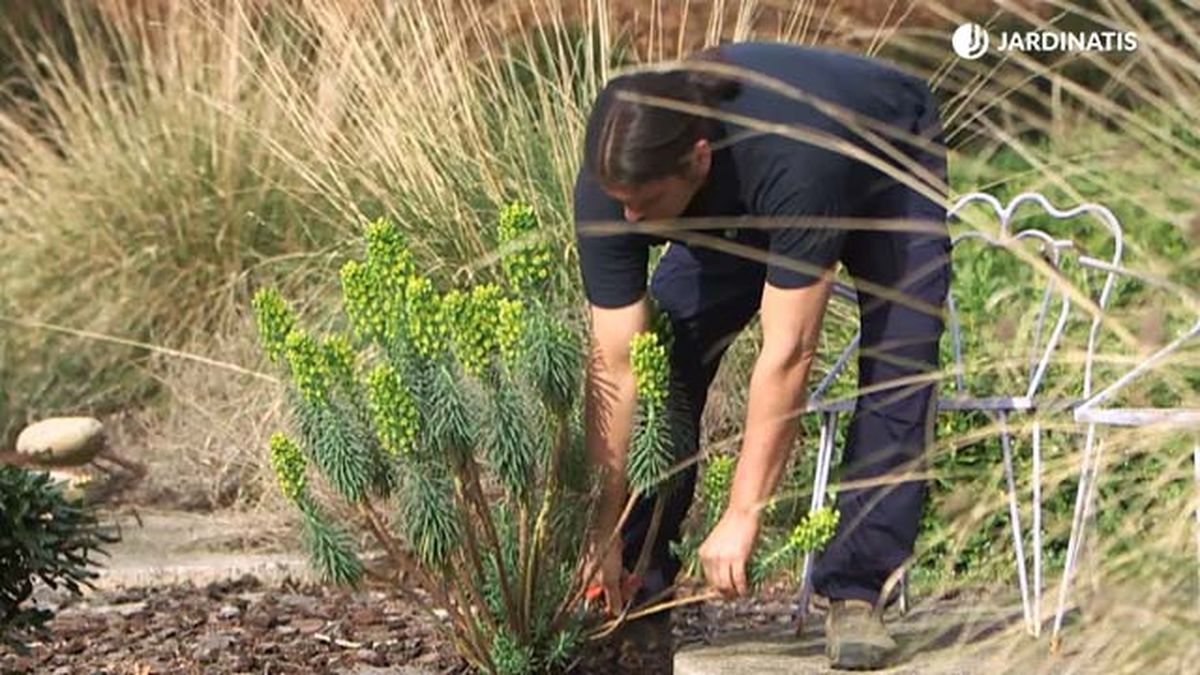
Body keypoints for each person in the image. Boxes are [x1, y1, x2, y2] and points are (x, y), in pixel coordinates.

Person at [575, 41, 951, 671]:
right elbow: (616, 366)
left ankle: (858, 593)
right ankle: (638, 590)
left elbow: (788, 353)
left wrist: (744, 511)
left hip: (884, 156)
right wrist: (602, 529)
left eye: (643, 201)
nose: (630, 216)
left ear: (697, 159)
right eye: (620, 200)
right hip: (742, 187)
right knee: (663, 360)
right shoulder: (616, 183)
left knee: (898, 364)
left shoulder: (793, 162)